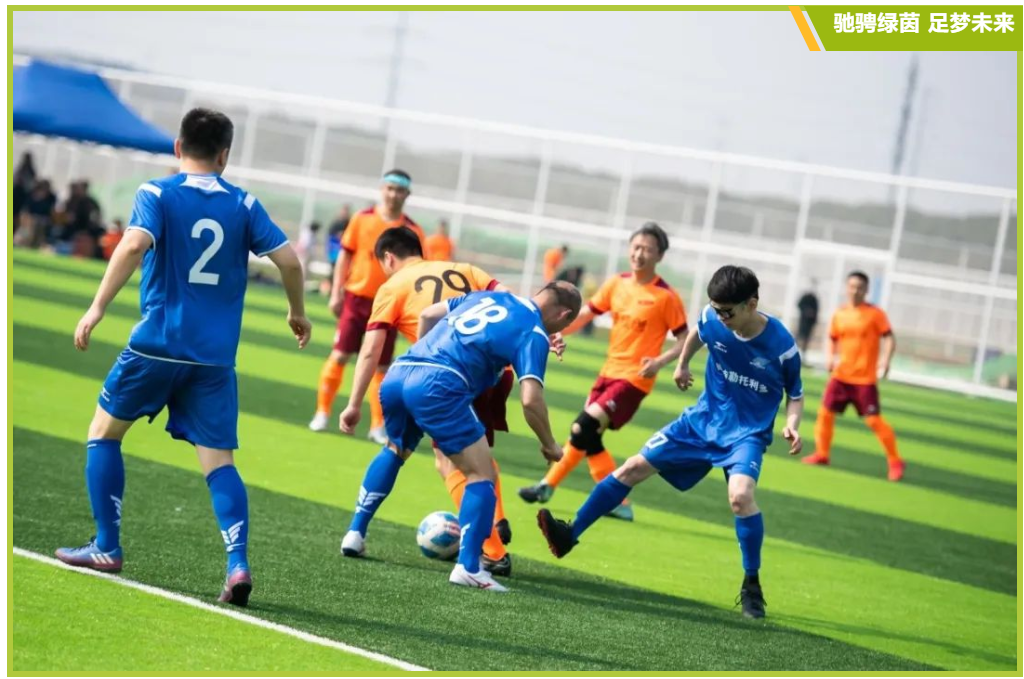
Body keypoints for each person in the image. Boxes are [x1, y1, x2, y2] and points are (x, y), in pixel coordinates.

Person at [54, 108, 313, 608]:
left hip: (156, 346)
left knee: (103, 433)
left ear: (177, 147)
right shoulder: (244, 203)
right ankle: (237, 564)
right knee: (220, 464)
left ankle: (107, 546)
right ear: (224, 155)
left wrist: (97, 307)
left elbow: (133, 245)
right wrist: (296, 311)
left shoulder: (157, 193)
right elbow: (289, 261)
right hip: (213, 360)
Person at [537, 265, 804, 619]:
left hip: (746, 434)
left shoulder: (782, 346)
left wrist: (792, 425)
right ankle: (569, 534)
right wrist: (682, 364)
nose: (720, 317)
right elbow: (697, 333)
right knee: (632, 468)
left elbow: (795, 394)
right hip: (701, 421)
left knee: (740, 497)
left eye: (728, 312)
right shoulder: (712, 318)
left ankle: (751, 584)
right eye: (716, 309)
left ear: (751, 304)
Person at [341, 281, 581, 592]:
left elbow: (428, 314)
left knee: (395, 449)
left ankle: (355, 534)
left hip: (402, 371)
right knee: (482, 474)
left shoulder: (488, 297)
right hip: (440, 385)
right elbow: (530, 400)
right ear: (564, 315)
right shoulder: (534, 332)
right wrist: (549, 444)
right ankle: (468, 567)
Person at [337, 226, 516, 575]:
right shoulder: (465, 270)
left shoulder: (393, 286)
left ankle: (491, 549)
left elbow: (371, 350)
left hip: (441, 379)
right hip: (493, 373)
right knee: (473, 458)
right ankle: (495, 523)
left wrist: (354, 403)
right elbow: (509, 299)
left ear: (388, 258)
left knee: (428, 456)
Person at [519, 223, 688, 522]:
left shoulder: (666, 297)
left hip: (635, 379)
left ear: (659, 256)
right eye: (636, 247)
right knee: (589, 438)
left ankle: (558, 487)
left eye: (647, 249)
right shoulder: (616, 284)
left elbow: (685, 338)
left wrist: (660, 362)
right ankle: (602, 497)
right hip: (608, 372)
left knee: (582, 427)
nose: (639, 254)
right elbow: (584, 315)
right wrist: (553, 331)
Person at [310, 172, 425, 441]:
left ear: (407, 194)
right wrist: (336, 292)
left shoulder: (413, 230)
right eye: (390, 188)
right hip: (356, 298)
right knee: (340, 354)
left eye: (399, 190)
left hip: (390, 304)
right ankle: (322, 413)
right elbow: (344, 256)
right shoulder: (361, 219)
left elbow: (417, 272)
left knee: (382, 366)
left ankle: (377, 426)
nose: (393, 194)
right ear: (382, 189)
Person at [802, 271, 904, 481]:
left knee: (874, 420)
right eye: (852, 286)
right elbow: (832, 338)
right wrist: (830, 358)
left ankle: (895, 460)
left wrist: (886, 360)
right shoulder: (840, 314)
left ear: (866, 290)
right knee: (825, 413)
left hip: (864, 379)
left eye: (860, 287)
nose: (855, 290)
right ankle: (822, 454)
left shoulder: (875, 314)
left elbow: (889, 338)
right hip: (840, 376)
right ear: (846, 288)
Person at [796, 283, 819, 355]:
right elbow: (799, 305)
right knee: (800, 336)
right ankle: (795, 351)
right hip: (803, 321)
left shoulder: (814, 299)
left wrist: (812, 315)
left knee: (807, 338)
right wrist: (806, 311)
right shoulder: (805, 297)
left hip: (810, 323)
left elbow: (816, 310)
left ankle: (803, 353)